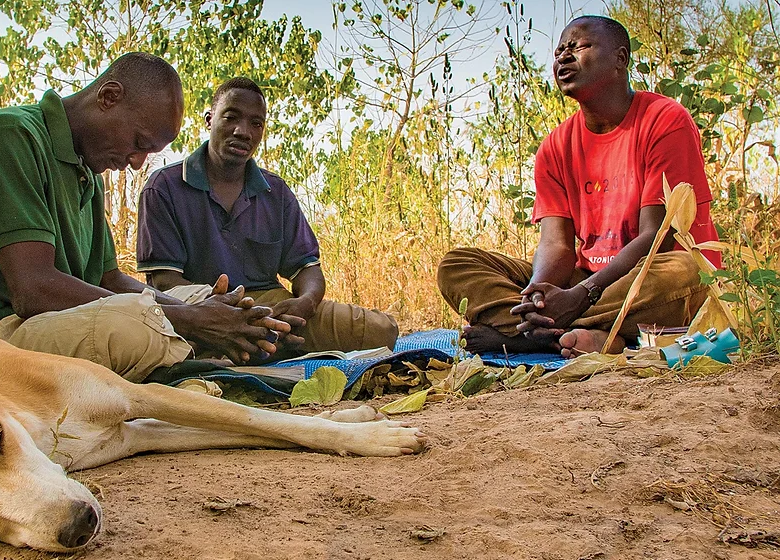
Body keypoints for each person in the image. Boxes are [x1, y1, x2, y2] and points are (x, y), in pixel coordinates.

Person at [0, 53, 296, 381]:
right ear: (108, 97)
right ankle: (191, 354)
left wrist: (202, 312)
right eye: (139, 143)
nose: (137, 163)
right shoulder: (11, 136)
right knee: (133, 330)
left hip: (56, 320)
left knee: (202, 298)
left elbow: (110, 279)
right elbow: (33, 290)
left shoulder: (87, 171)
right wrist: (189, 320)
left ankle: (206, 348)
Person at [437, 16, 720, 357]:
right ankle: (564, 332)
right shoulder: (556, 146)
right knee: (457, 264)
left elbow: (656, 237)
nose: (564, 57)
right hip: (587, 280)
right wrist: (537, 296)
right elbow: (556, 245)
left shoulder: (664, 120)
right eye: (559, 51)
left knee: (686, 271)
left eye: (579, 46)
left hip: (649, 275)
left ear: (620, 59)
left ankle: (529, 336)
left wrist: (582, 296)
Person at [136, 77, 398, 358]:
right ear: (209, 120)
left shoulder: (276, 192)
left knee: (380, 330)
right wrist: (233, 317)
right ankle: (250, 350)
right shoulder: (164, 187)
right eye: (231, 117)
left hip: (273, 311)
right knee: (158, 347)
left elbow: (307, 269)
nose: (243, 131)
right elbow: (165, 283)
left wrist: (306, 303)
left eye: (256, 123)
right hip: (202, 315)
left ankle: (266, 347)